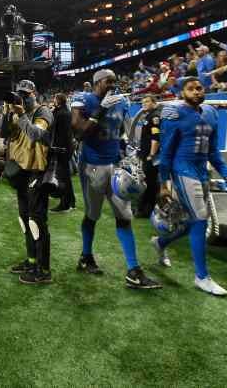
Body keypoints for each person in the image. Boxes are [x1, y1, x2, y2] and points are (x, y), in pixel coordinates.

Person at [70, 69, 161, 289]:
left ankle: (133, 270)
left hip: (115, 165)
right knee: (93, 214)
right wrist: (100, 110)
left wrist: (129, 152)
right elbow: (79, 132)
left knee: (124, 215)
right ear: (97, 83)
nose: (113, 84)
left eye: (115, 80)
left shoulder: (122, 103)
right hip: (92, 165)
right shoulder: (83, 100)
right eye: (108, 81)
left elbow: (124, 132)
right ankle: (86, 256)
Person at [153, 77, 227, 296]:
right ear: (182, 93)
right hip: (183, 169)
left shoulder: (210, 112)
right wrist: (164, 183)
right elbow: (166, 151)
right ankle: (202, 277)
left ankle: (161, 242)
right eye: (191, 89)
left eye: (199, 88)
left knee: (192, 222)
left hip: (201, 171)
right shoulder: (174, 113)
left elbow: (213, 152)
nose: (197, 92)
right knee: (201, 219)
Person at [0, 80, 54, 284]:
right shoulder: (15, 112)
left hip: (37, 172)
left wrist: (21, 115)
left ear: (35, 93)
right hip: (21, 172)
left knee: (37, 221)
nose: (23, 98)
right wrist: (7, 113)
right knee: (25, 220)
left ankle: (44, 269)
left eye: (26, 94)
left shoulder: (44, 112)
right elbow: (2, 134)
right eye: (20, 95)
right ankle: (31, 261)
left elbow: (36, 134)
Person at [135, 95, 160, 219]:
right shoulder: (149, 115)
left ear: (154, 103)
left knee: (148, 183)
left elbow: (156, 138)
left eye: (147, 101)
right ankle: (146, 209)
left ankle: (144, 210)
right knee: (149, 183)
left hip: (151, 156)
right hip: (146, 154)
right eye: (142, 101)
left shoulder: (155, 117)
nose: (144, 103)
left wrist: (151, 155)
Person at [50, 93, 75, 212]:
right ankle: (71, 201)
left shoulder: (62, 113)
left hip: (62, 149)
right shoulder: (64, 111)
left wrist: (59, 148)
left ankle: (65, 203)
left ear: (58, 100)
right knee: (65, 177)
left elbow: (61, 133)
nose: (53, 101)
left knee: (63, 177)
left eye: (54, 99)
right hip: (65, 148)